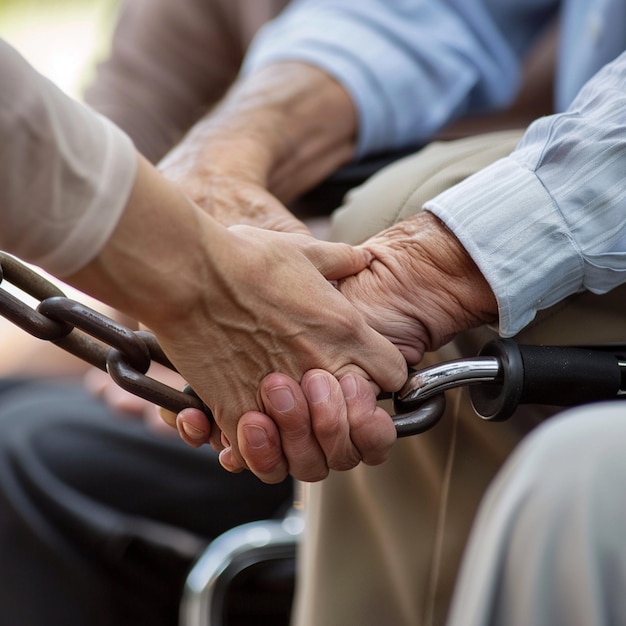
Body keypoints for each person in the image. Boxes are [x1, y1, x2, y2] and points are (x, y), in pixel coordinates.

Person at [0, 35, 411, 626]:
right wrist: (170, 310)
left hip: (336, 331)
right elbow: (113, 123)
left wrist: (214, 294)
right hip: (187, 320)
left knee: (26, 446)